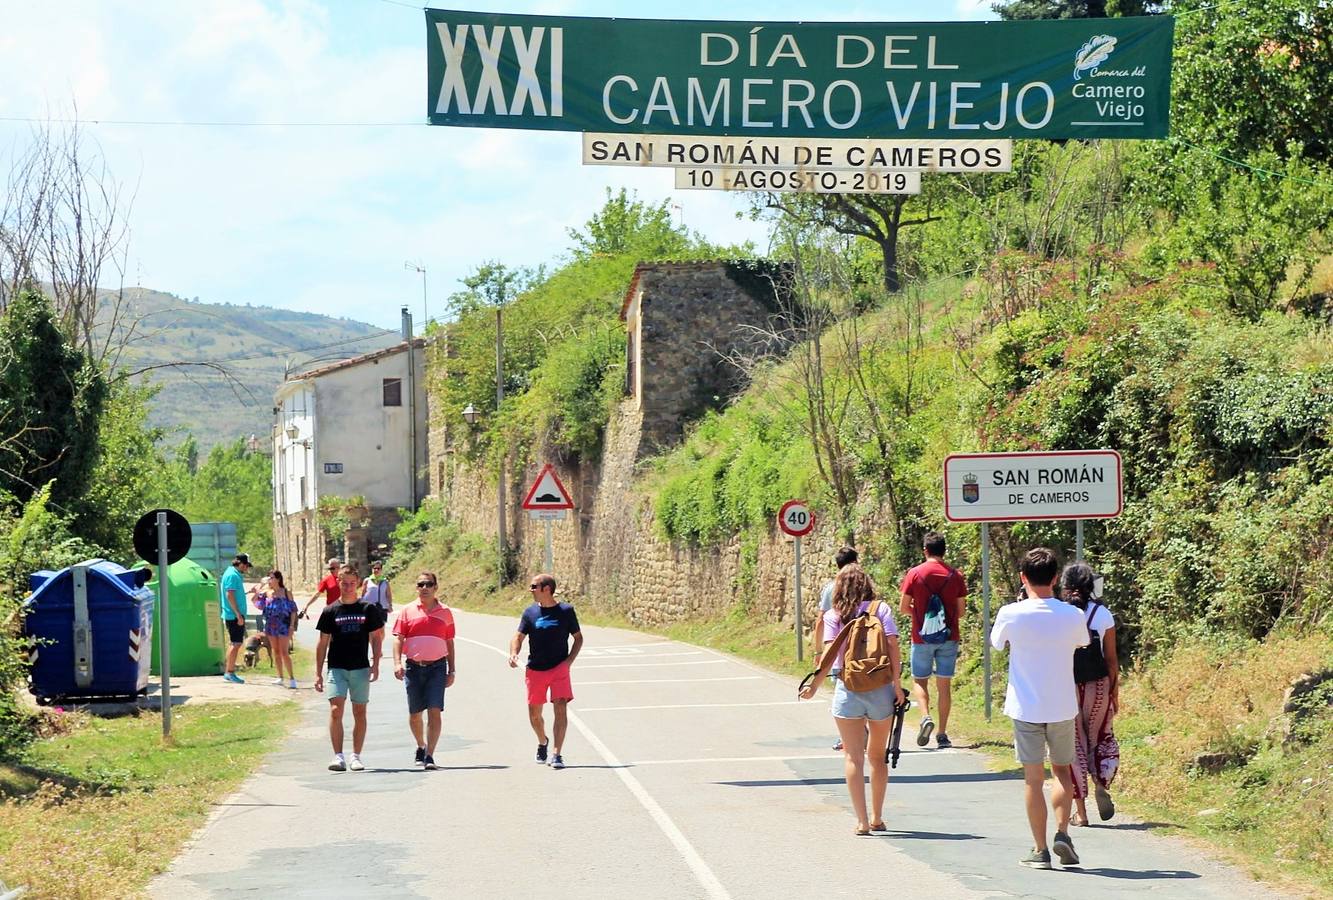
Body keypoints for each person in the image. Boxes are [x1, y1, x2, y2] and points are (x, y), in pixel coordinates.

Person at [990, 548, 1090, 870]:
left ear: (1023, 578)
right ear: (1056, 577)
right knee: (1062, 771)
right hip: (1061, 705)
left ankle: (1040, 850)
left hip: (1025, 707)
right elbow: (1081, 643)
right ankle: (1063, 832)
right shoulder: (1072, 615)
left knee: (1033, 780)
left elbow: (997, 643)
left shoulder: (1011, 613)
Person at [799, 563, 905, 836]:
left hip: (848, 690)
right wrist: (897, 685)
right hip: (880, 689)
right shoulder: (881, 609)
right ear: (867, 584)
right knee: (878, 757)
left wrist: (813, 687)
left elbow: (829, 656)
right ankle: (877, 816)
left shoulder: (835, 616)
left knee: (853, 757)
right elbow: (892, 644)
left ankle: (861, 821)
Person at [1060, 563, 1120, 826]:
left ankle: (1081, 814)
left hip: (1066, 687)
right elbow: (1111, 659)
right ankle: (1100, 782)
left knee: (1075, 748)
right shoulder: (1102, 614)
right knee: (1099, 739)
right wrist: (1114, 691)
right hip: (1098, 687)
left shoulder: (1059, 613)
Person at [314, 563, 386, 772]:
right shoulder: (330, 610)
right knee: (336, 710)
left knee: (359, 711)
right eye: (344, 584)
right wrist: (318, 673)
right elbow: (322, 642)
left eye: (352, 584)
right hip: (337, 667)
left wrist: (376, 664)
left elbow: (376, 637)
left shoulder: (367, 609)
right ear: (338, 583)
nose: (347, 587)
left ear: (357, 584)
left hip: (360, 667)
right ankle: (338, 756)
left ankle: (356, 755)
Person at [899, 532, 968, 750]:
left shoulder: (915, 573)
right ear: (944, 550)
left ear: (925, 550)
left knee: (920, 680)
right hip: (949, 637)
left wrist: (920, 615)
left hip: (921, 637)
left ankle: (926, 716)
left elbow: (903, 607)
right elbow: (961, 612)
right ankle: (942, 734)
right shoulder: (955, 575)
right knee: (944, 685)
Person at [508, 573, 582, 770]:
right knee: (534, 715)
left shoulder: (566, 611)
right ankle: (543, 741)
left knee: (560, 708)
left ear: (546, 589)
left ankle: (557, 754)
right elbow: (518, 637)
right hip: (536, 669)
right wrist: (514, 653)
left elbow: (578, 638)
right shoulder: (530, 613)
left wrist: (569, 662)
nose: (530, 590)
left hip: (559, 668)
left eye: (534, 586)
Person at [392, 571, 456, 770]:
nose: (425, 588)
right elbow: (398, 638)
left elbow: (449, 641)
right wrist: (397, 662)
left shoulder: (445, 612)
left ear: (436, 587)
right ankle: (421, 745)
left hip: (437, 667)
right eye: (421, 584)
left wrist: (452, 670)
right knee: (415, 714)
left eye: (429, 584)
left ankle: (430, 756)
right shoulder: (407, 611)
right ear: (417, 587)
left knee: (434, 711)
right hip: (413, 667)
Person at [813, 546, 859, 751]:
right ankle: (862, 729)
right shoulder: (865, 587)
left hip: (839, 648)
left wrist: (818, 651)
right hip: (864, 646)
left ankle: (847, 736)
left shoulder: (831, 588)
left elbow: (821, 620)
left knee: (842, 692)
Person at [261, 570, 299, 689]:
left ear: (278, 579)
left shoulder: (286, 593)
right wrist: (261, 586)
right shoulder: (267, 593)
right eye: (269, 578)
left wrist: (292, 626)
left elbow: (293, 610)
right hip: (271, 625)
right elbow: (256, 602)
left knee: (284, 652)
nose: (270, 580)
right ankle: (280, 677)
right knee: (275, 651)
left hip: (284, 625)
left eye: (271, 578)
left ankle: (292, 678)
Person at [219, 553, 253, 684]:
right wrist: (238, 614)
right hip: (233, 615)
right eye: (246, 566)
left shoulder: (232, 574)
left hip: (233, 614)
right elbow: (229, 595)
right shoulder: (232, 575)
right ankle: (229, 672)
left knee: (235, 643)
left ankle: (229, 671)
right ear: (241, 564)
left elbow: (234, 594)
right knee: (236, 644)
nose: (247, 569)